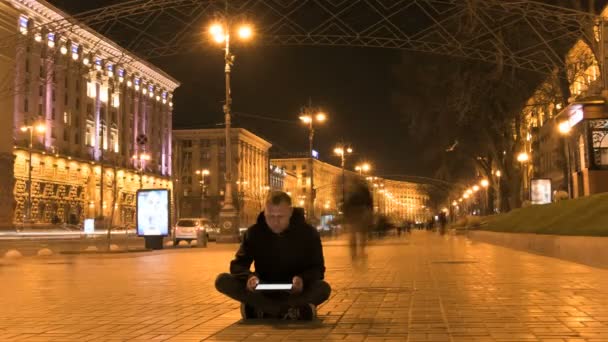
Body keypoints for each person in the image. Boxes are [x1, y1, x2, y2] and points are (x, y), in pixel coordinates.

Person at [215, 191, 331, 321]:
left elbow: (318, 269)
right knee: (222, 280)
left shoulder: (309, 233)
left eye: (280, 216)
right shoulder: (254, 233)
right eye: (270, 216)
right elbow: (238, 265)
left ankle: (263, 310)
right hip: (263, 288)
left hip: (295, 290)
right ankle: (290, 311)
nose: (275, 222)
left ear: (290, 212)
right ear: (264, 212)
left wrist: (302, 279)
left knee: (323, 288)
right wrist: (249, 278)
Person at [342, 177, 374, 262]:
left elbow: (345, 202)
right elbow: (369, 201)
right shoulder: (363, 190)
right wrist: (370, 211)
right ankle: (360, 252)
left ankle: (354, 254)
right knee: (361, 234)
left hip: (354, 214)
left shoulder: (350, 190)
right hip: (360, 212)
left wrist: (346, 214)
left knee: (354, 235)